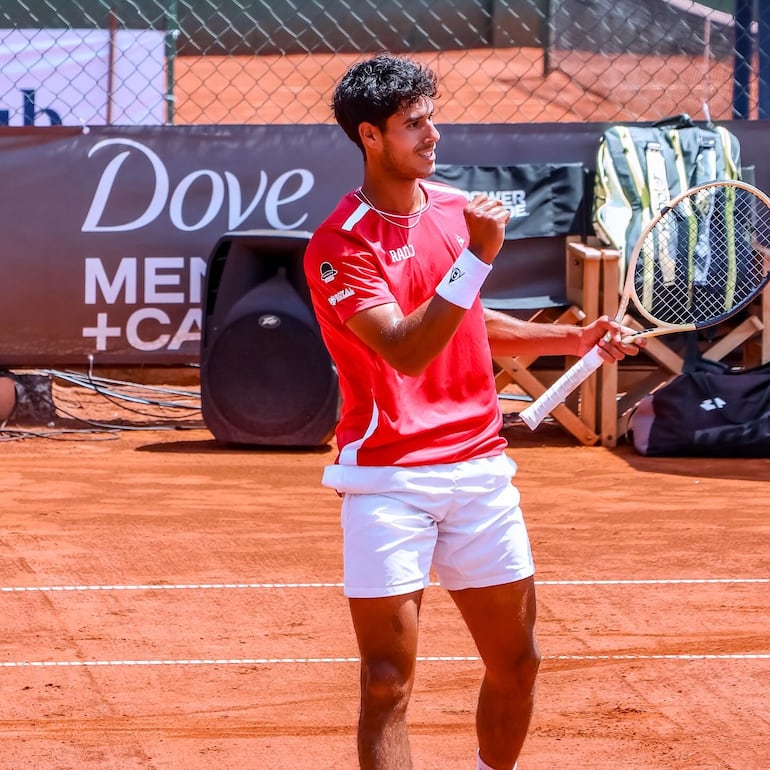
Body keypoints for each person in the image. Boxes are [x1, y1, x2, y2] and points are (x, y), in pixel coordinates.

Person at [303, 53, 641, 770]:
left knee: (518, 664)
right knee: (387, 683)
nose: (433, 135)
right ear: (370, 136)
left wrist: (572, 336)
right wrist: (475, 260)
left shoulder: (455, 211)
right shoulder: (338, 247)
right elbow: (405, 348)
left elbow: (467, 324)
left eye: (433, 118)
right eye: (414, 124)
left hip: (481, 475)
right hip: (388, 483)